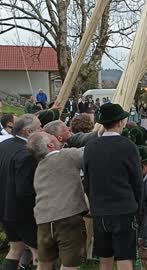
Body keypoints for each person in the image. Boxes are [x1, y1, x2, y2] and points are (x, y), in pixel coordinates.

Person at [83, 103, 143, 270]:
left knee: (105, 258)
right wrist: (138, 207)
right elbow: (137, 182)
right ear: (120, 122)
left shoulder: (91, 146)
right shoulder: (128, 146)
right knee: (124, 258)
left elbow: (87, 181)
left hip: (100, 210)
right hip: (123, 209)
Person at [27, 132, 87, 270]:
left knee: (44, 263)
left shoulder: (39, 168)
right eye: (52, 136)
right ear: (51, 145)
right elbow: (90, 153)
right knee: (70, 265)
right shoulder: (67, 155)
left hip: (43, 221)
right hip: (67, 217)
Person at [0, 114, 42, 270]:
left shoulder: (4, 145)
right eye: (39, 127)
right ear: (28, 132)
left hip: (4, 208)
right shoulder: (27, 154)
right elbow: (24, 191)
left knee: (16, 249)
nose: (42, 130)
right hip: (22, 213)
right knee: (40, 254)